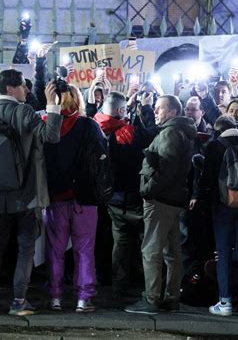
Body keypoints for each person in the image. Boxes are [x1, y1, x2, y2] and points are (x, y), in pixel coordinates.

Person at [0, 69, 62, 316]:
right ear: (12, 89)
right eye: (24, 86)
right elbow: (52, 136)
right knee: (26, 247)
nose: (26, 91)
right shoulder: (23, 111)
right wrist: (51, 106)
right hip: (27, 194)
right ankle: (18, 301)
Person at [125, 95, 197, 315]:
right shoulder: (181, 132)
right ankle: (171, 297)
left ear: (173, 112)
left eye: (160, 108)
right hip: (173, 200)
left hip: (161, 201)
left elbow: (166, 169)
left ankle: (152, 299)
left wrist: (147, 191)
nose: (156, 112)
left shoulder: (170, 134)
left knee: (151, 250)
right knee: (172, 252)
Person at [190, 115, 238, 318]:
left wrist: (200, 201)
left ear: (218, 130)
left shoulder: (215, 146)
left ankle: (224, 303)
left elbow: (208, 179)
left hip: (222, 206)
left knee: (223, 254)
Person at [43, 85, 105, 313]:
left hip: (55, 197)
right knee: (84, 249)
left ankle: (55, 297)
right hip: (85, 198)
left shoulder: (47, 125)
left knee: (55, 249)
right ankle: (83, 298)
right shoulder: (88, 126)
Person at [93, 91, 152, 298]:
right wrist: (145, 109)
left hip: (109, 198)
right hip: (132, 197)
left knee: (120, 244)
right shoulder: (128, 133)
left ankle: (119, 287)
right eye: (124, 110)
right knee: (146, 244)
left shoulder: (95, 127)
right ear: (120, 111)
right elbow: (150, 136)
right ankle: (149, 287)